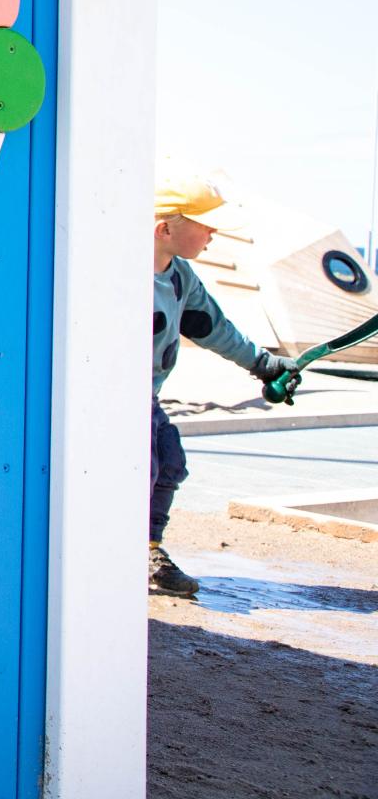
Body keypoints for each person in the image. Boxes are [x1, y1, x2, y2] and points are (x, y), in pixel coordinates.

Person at [149, 173, 300, 596]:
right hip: (110, 400)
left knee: (169, 465)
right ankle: (118, 551)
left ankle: (146, 549)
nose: (213, 234)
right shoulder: (121, 276)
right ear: (165, 229)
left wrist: (265, 365)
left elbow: (214, 329)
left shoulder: (180, 277)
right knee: (142, 470)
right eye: (205, 226)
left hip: (147, 397)